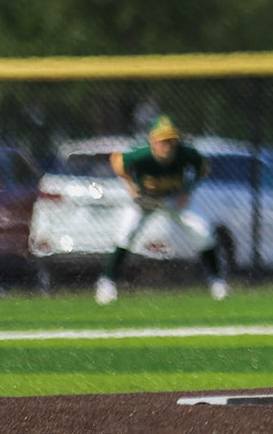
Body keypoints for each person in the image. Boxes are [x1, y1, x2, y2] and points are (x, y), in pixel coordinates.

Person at [97, 116, 227, 304]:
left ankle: (217, 282)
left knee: (203, 231)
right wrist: (131, 187)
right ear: (152, 140)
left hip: (174, 199)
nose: (167, 145)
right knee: (126, 233)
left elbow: (203, 168)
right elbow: (117, 161)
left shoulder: (185, 153)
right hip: (146, 200)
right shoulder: (142, 154)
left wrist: (188, 191)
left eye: (171, 140)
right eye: (163, 141)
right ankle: (106, 282)